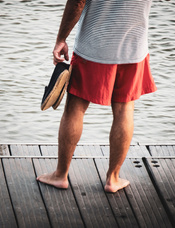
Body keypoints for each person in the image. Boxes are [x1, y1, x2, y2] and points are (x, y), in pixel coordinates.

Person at [36, 0, 157, 193]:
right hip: (134, 47)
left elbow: (78, 2)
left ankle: (60, 175)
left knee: (75, 107)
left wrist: (61, 39)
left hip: (94, 45)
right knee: (125, 109)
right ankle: (113, 179)